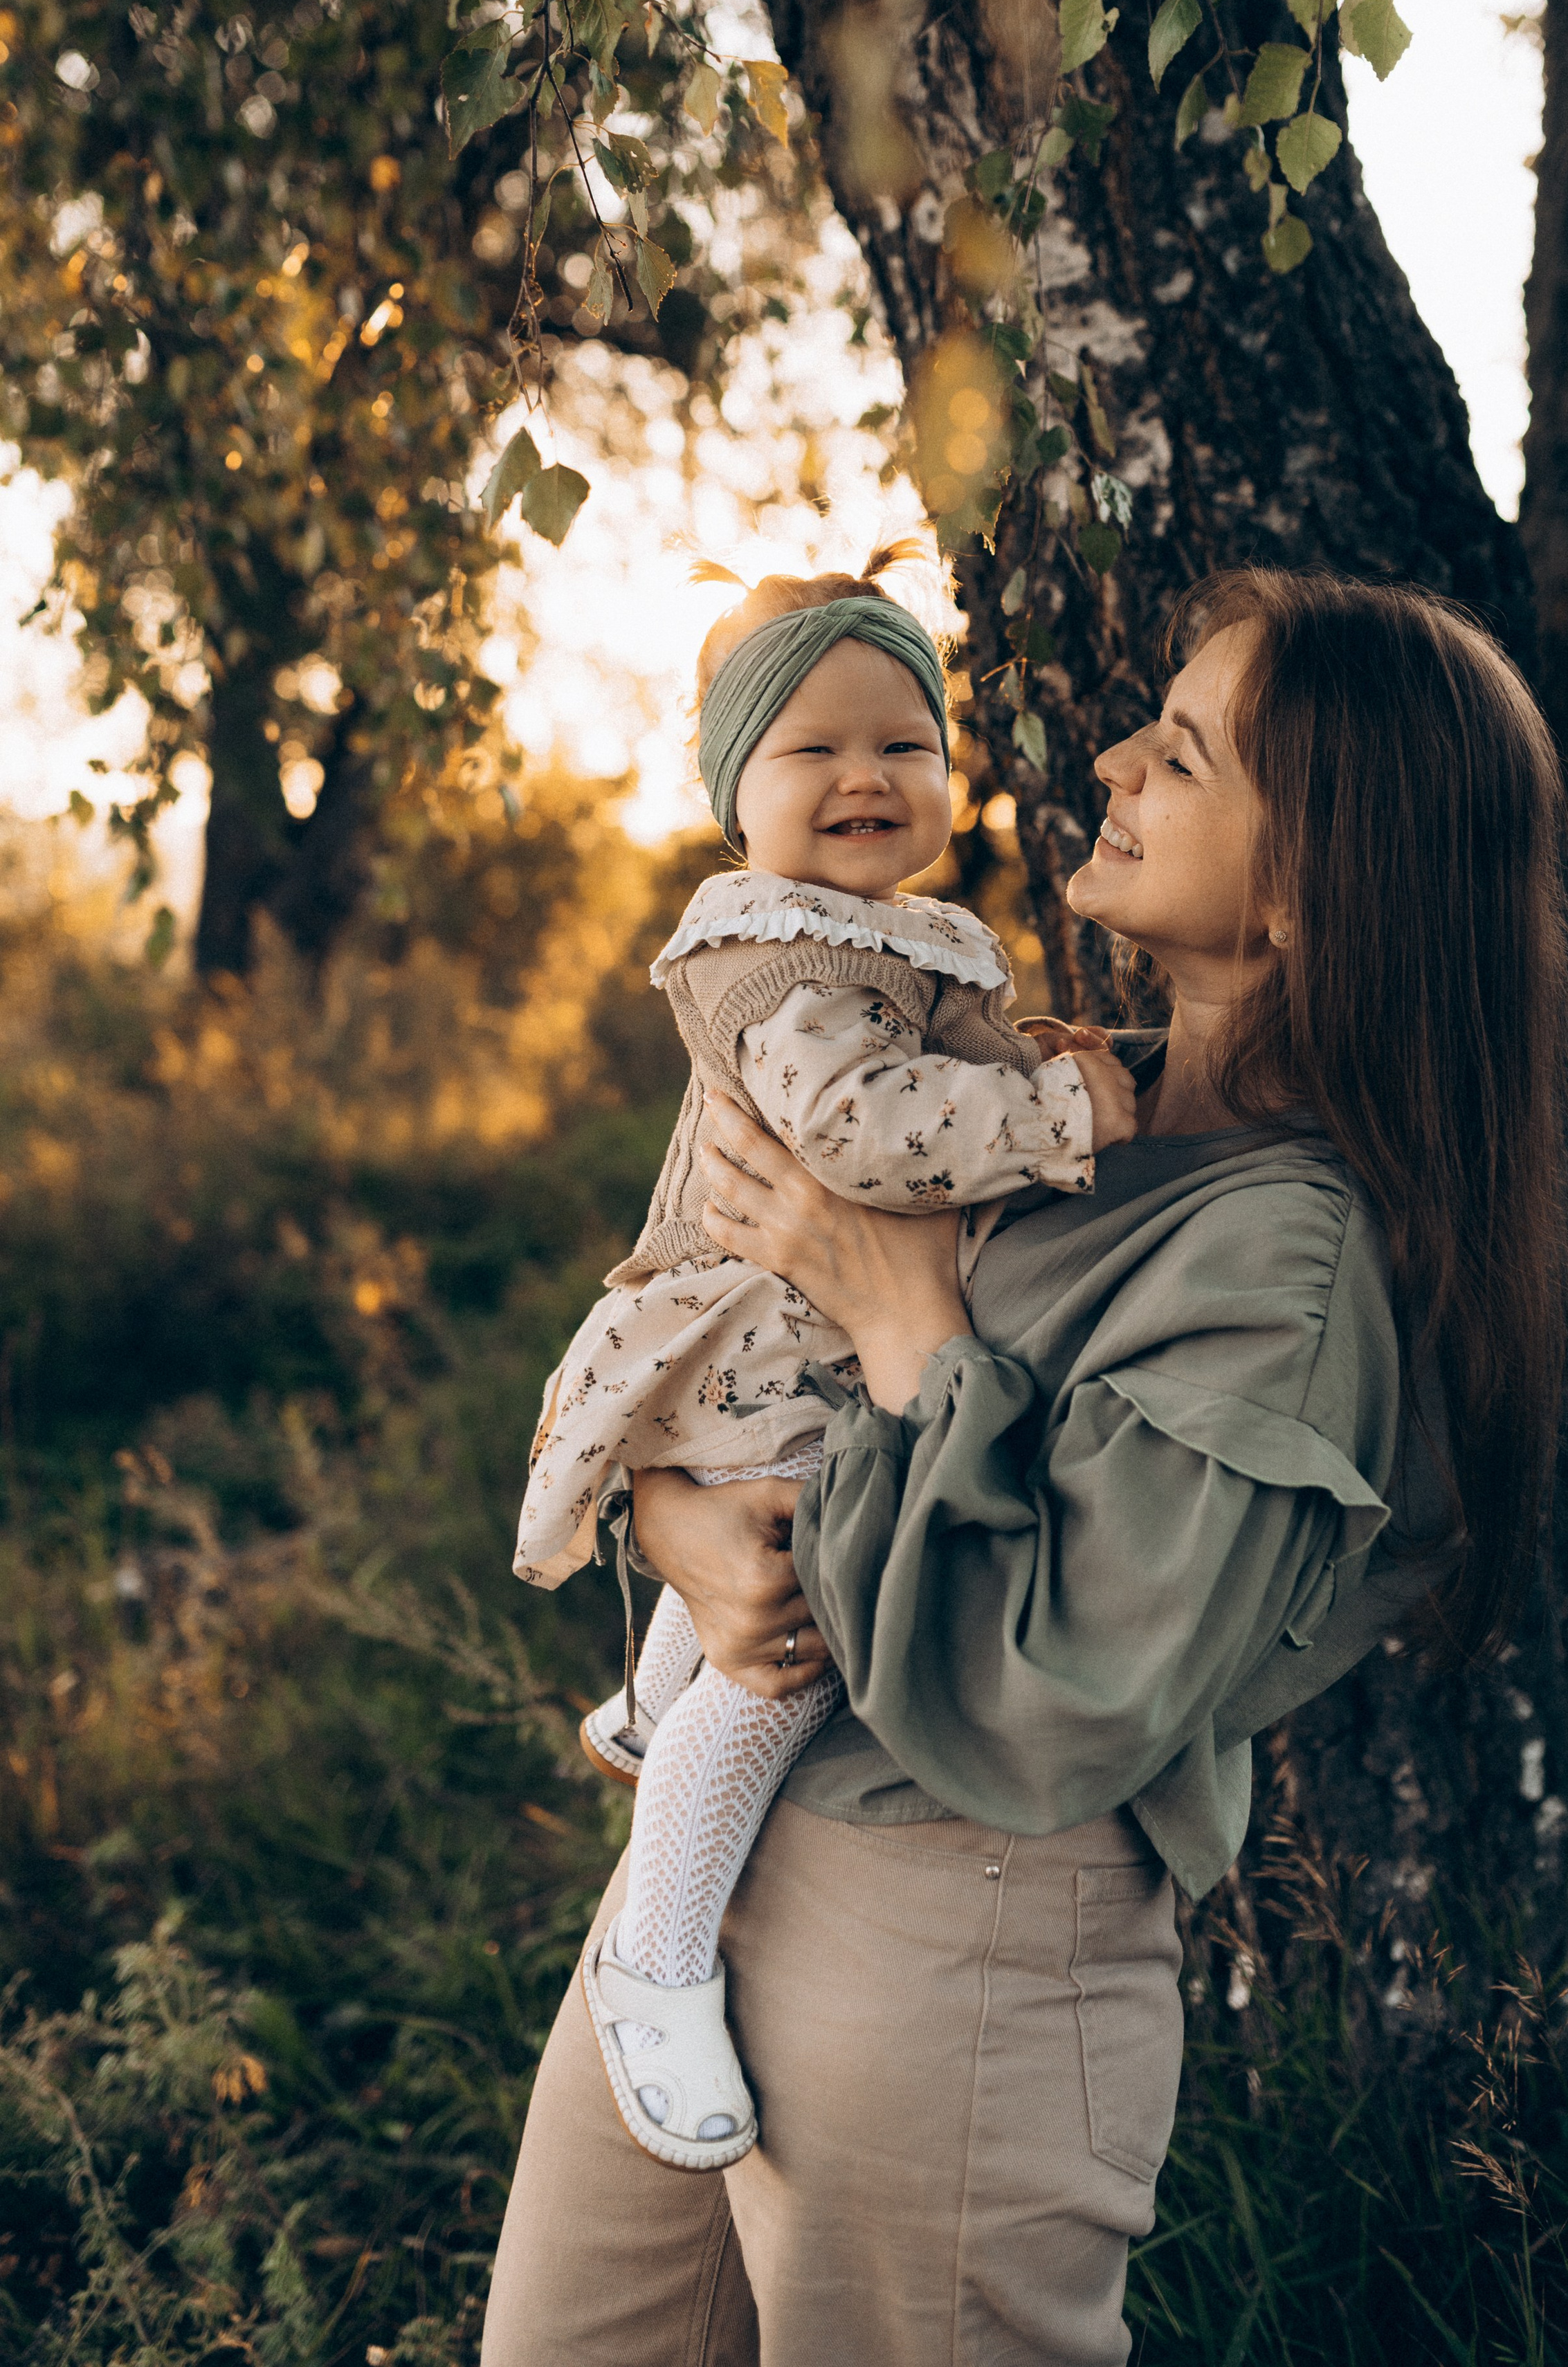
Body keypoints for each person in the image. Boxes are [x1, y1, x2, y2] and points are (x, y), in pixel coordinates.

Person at [483, 565, 1568, 2367]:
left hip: (954, 1939)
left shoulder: (1284, 1266)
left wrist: (910, 1314)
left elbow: (1058, 1696)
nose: (1115, 765)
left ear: (1310, 883)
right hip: (708, 1877)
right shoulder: (1041, 1111)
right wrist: (677, 1520)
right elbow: (734, 1359)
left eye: (1184, 753)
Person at [514, 545, 1136, 2172]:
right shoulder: (775, 956)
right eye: (812, 748)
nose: (868, 775)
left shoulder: (898, 936)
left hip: (804, 1345)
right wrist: (1062, 1112)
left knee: (757, 1601)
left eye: (903, 743)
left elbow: (941, 1068)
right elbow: (864, 1134)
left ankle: (650, 1706)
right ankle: (655, 1953)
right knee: (786, 1642)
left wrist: (1025, 1052)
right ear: (735, 791)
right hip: (761, 1359)